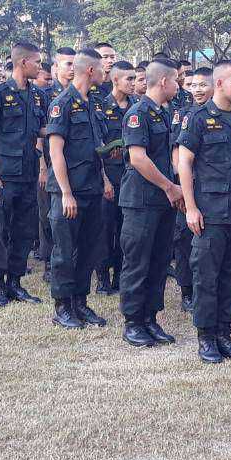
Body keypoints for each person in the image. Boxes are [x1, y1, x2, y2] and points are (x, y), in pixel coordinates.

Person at [176, 60, 231, 363]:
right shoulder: (198, 118)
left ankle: (224, 334)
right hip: (210, 212)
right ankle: (206, 338)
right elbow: (184, 163)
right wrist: (190, 207)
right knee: (206, 277)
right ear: (220, 84)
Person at [117, 57, 183, 348]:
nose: (179, 85)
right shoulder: (138, 113)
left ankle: (150, 318)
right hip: (141, 201)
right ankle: (133, 321)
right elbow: (138, 158)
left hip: (163, 201)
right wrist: (170, 186)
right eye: (176, 80)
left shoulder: (164, 113)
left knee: (158, 262)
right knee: (137, 262)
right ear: (164, 81)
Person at [0, 43, 49, 308]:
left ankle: (15, 283)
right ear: (23, 63)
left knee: (24, 230)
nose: (40, 66)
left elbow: (42, 129)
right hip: (3, 175)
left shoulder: (38, 95)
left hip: (28, 175)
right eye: (37, 62)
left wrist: (60, 130)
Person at [45, 47, 110, 327]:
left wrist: (105, 179)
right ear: (91, 70)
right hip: (69, 191)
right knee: (64, 251)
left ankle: (80, 303)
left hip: (92, 188)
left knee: (88, 249)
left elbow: (96, 148)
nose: (106, 72)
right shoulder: (62, 103)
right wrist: (66, 193)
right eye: (102, 68)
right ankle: (62, 307)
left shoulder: (93, 103)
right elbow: (55, 151)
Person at [170, 66, 212, 311]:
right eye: (193, 85)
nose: (197, 90)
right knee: (185, 239)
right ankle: (187, 291)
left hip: (214, 188)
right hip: (190, 186)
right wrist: (181, 187)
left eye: (202, 85)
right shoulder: (184, 115)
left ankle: (206, 287)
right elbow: (176, 153)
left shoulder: (226, 113)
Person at [93, 60, 135, 295]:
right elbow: (97, 144)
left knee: (125, 230)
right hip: (108, 176)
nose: (133, 83)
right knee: (104, 229)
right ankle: (102, 278)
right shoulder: (100, 106)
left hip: (131, 176)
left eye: (134, 78)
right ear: (115, 80)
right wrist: (105, 180)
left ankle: (120, 275)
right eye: (129, 78)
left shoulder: (137, 106)